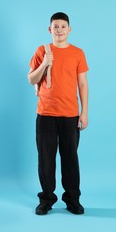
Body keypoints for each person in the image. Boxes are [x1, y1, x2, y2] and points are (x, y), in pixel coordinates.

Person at [27, 12, 89, 215]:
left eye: (63, 26)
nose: (59, 30)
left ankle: (73, 200)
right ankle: (46, 199)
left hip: (70, 114)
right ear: (49, 29)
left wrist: (84, 112)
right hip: (45, 114)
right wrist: (45, 63)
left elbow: (82, 83)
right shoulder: (42, 50)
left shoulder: (77, 53)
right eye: (56, 26)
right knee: (46, 158)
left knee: (70, 157)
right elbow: (31, 79)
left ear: (69, 29)